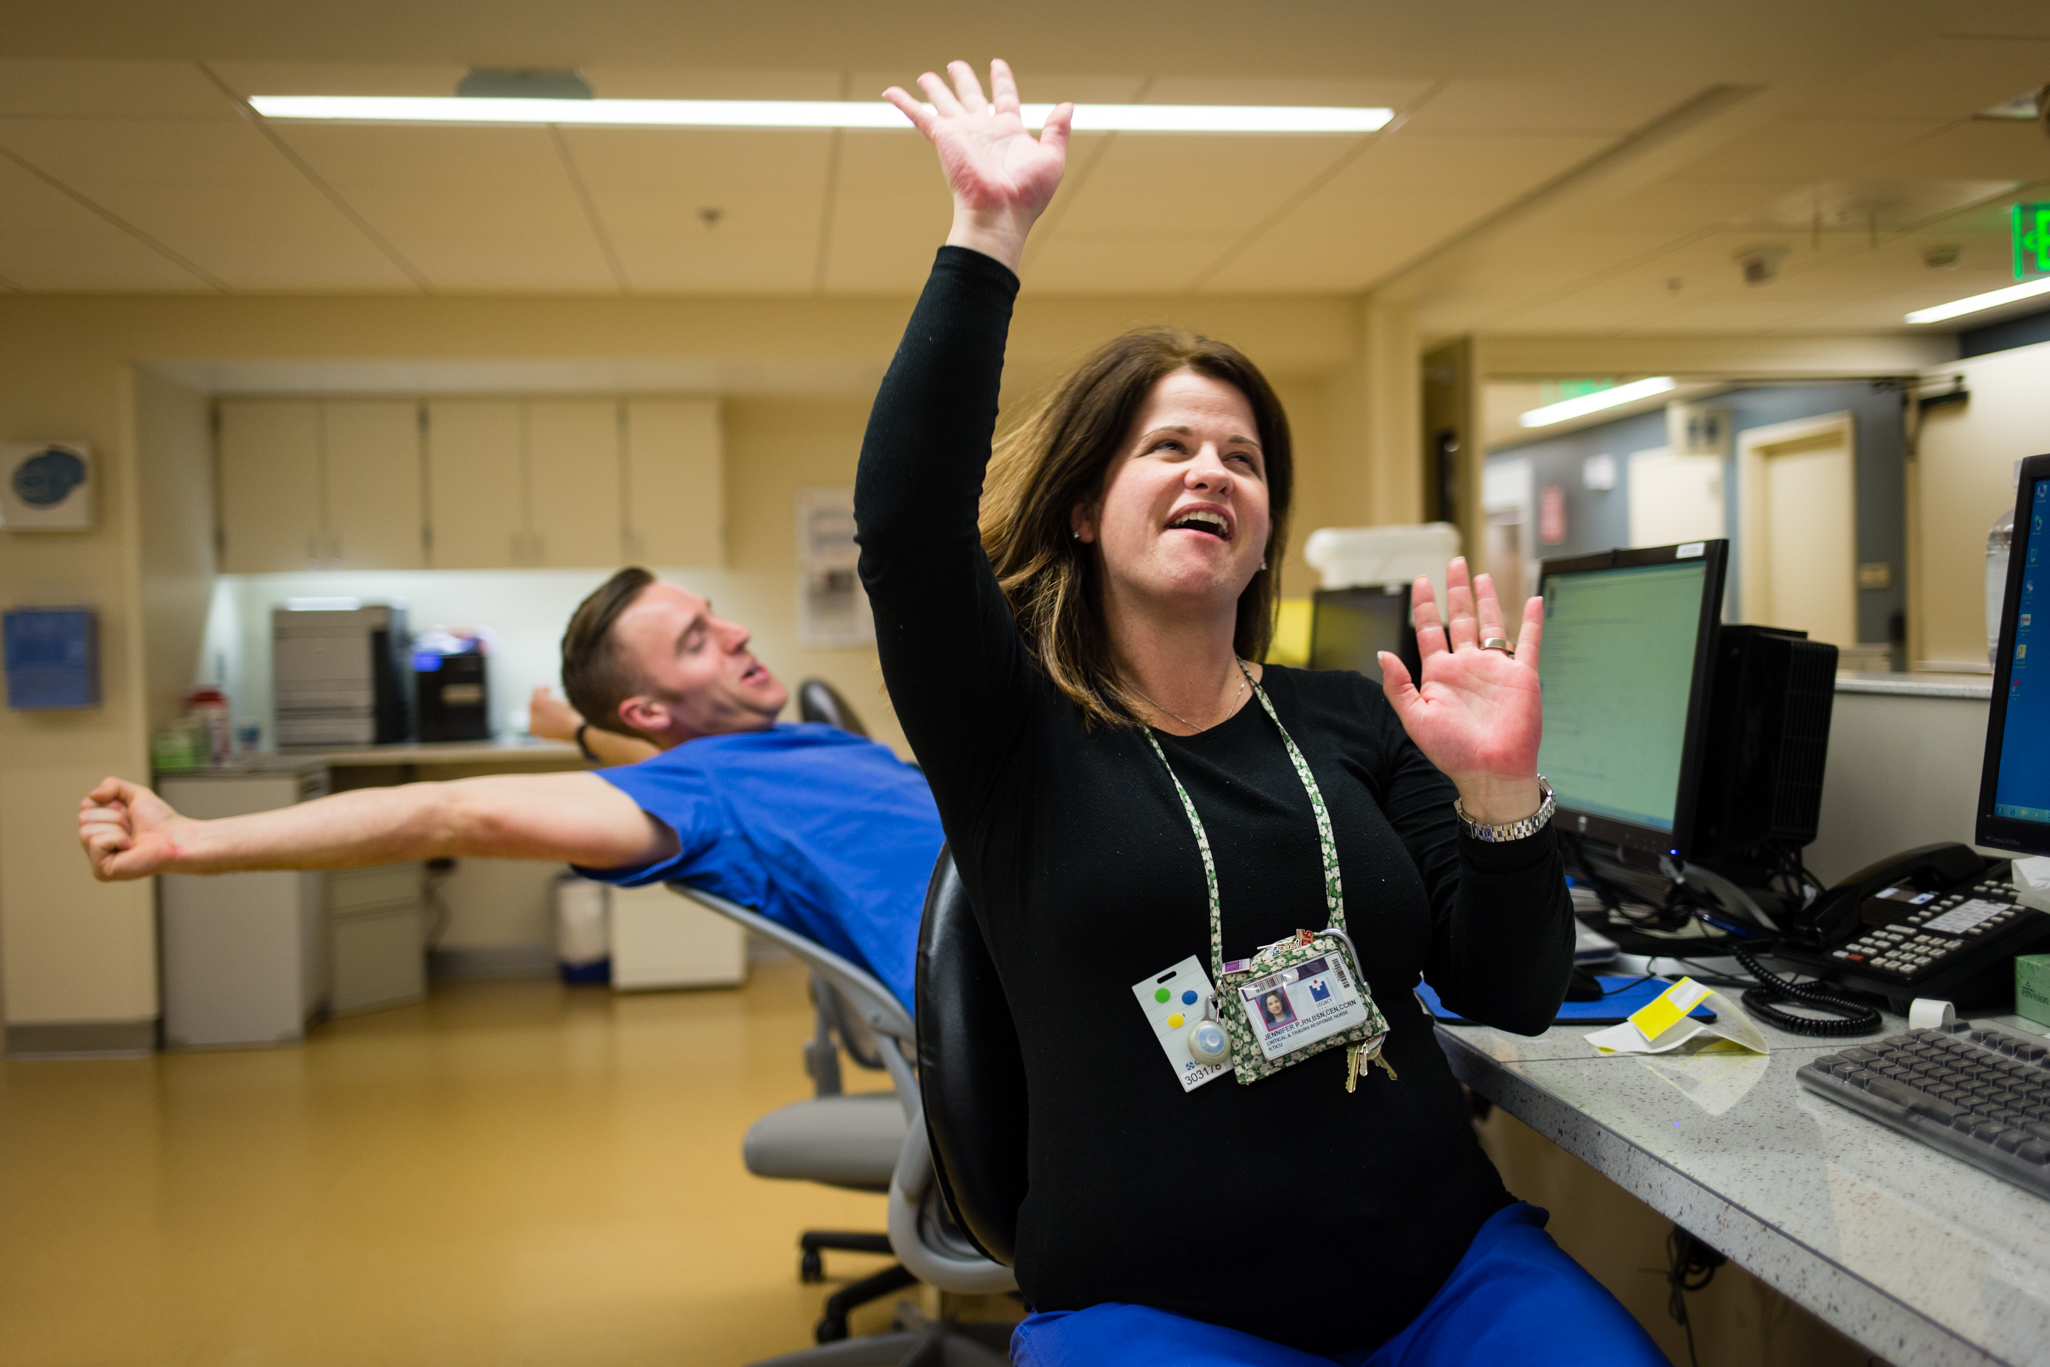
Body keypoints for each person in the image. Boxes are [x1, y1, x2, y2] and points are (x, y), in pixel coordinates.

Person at [855, 59, 1664, 1365]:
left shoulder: (1352, 715)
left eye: (1241, 457)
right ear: (1082, 503)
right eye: (1166, 446)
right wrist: (986, 231)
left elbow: (1507, 992)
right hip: (1152, 1305)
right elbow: (901, 527)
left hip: (1441, 1274)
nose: (1210, 473)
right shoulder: (1009, 736)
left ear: (1264, 523)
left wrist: (1501, 794)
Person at [77, 568, 939, 1009]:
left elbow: (622, 743)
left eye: (715, 616)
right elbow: (455, 810)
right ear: (648, 707)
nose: (738, 631)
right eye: (697, 640)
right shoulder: (697, 790)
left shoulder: (779, 744)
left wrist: (572, 731)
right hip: (1027, 982)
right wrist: (192, 841)